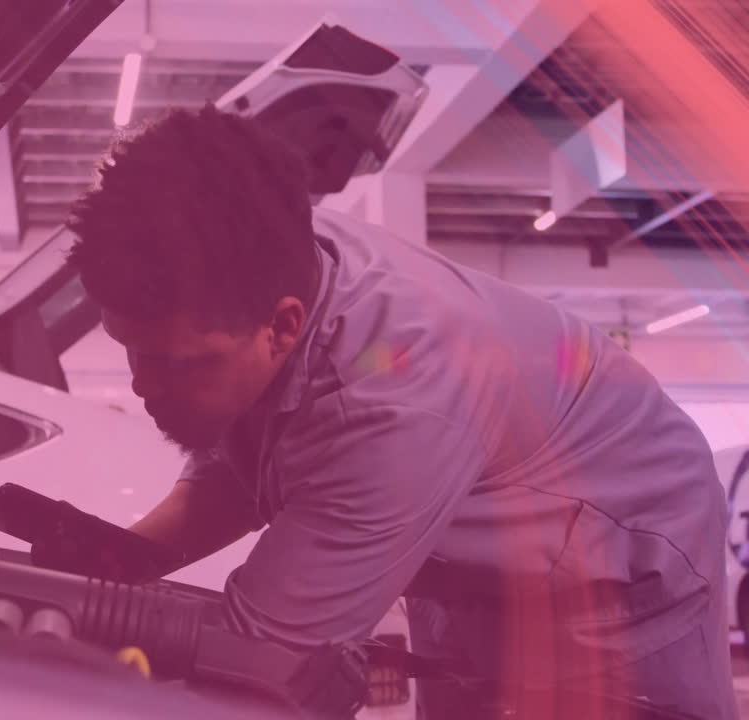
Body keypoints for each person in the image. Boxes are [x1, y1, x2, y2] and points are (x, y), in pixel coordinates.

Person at [63, 104, 736, 719]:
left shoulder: (389, 410)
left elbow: (256, 664)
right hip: (477, 545)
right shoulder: (252, 253)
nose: (142, 384)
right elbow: (249, 461)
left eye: (179, 363)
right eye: (130, 347)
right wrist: (122, 563)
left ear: (282, 327)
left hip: (622, 557)